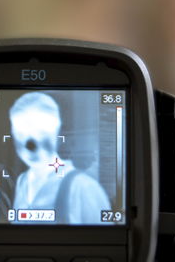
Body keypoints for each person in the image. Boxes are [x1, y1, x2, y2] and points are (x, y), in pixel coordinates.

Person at [9, 92, 110, 224]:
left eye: (40, 132)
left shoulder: (83, 187)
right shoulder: (22, 182)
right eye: (21, 133)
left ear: (56, 133)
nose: (30, 145)